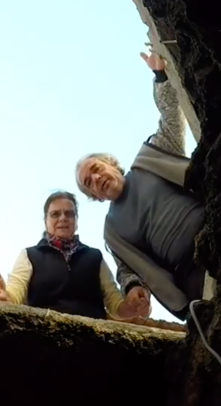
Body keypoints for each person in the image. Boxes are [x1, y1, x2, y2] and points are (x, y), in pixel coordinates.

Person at [74, 50, 212, 321]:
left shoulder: (150, 157)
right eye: (89, 183)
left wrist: (160, 76)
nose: (97, 179)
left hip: (216, 224)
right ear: (95, 196)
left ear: (112, 164)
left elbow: (171, 119)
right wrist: (134, 288)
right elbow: (127, 269)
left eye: (96, 169)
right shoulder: (112, 230)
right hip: (190, 272)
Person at [0, 191, 151, 321]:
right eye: (55, 214)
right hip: (42, 342)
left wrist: (133, 306)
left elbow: (115, 305)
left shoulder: (95, 257)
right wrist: (4, 295)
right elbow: (15, 297)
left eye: (69, 214)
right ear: (45, 221)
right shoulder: (29, 255)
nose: (63, 218)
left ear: (76, 220)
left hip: (93, 345)